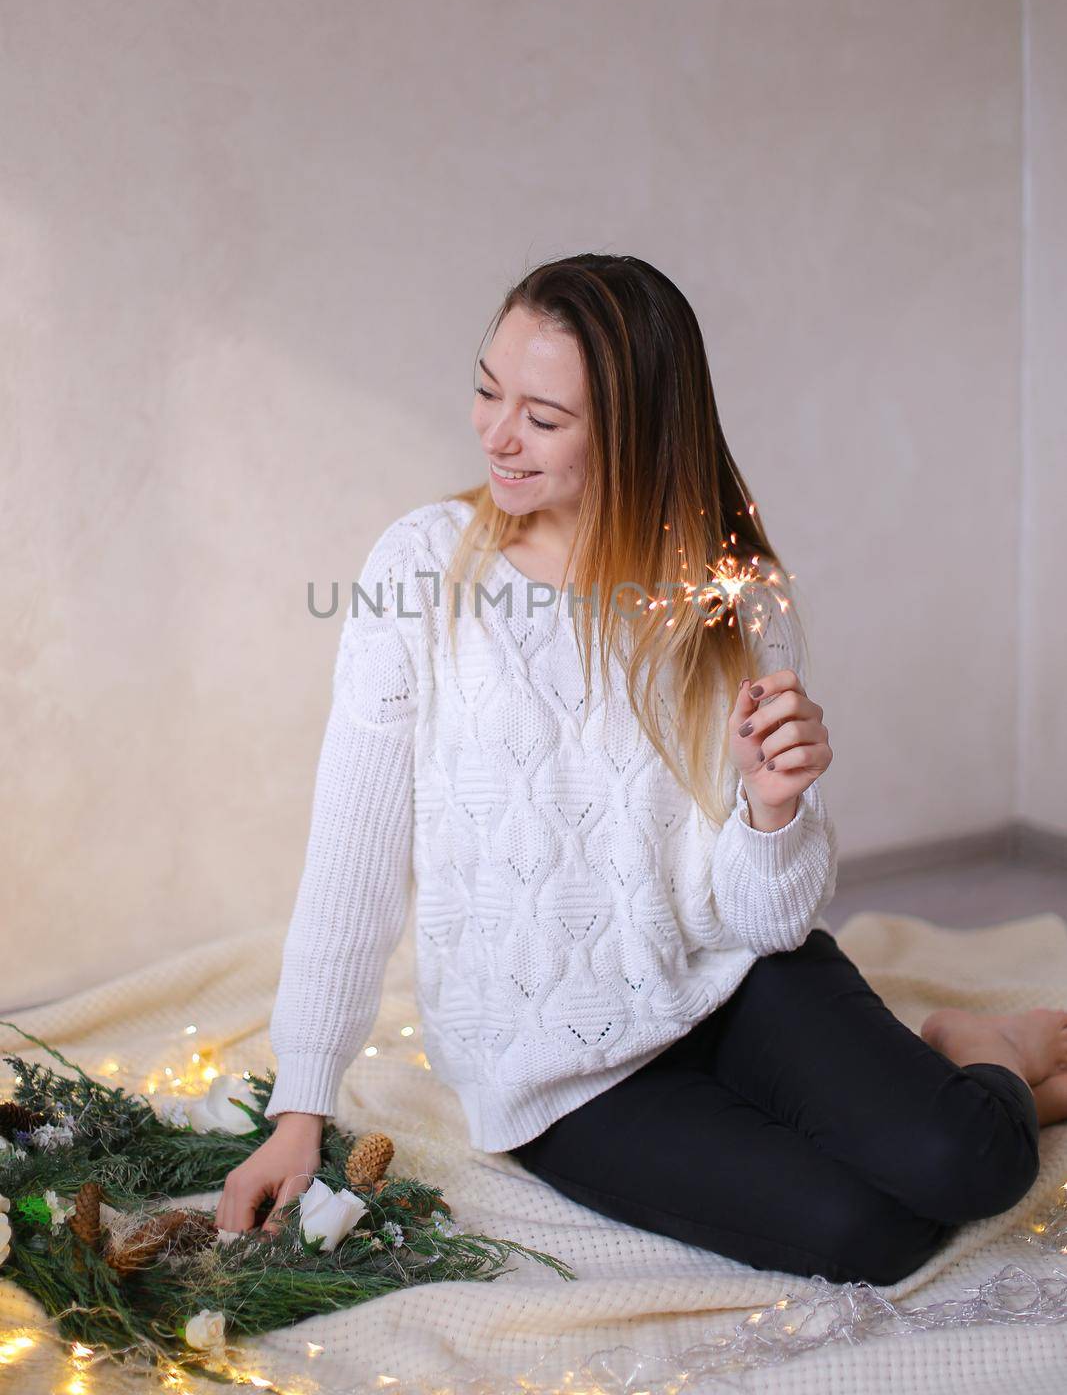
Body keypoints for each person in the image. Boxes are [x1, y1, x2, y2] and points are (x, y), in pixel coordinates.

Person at [215, 253, 1067, 1284]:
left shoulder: (730, 598)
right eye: (487, 390)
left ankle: (987, 1046)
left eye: (542, 414)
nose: (494, 432)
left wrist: (771, 811)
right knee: (866, 1236)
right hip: (560, 1071)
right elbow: (350, 858)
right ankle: (951, 1075)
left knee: (966, 1162)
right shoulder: (421, 569)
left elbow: (766, 922)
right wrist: (299, 1109)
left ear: (632, 430)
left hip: (732, 975)